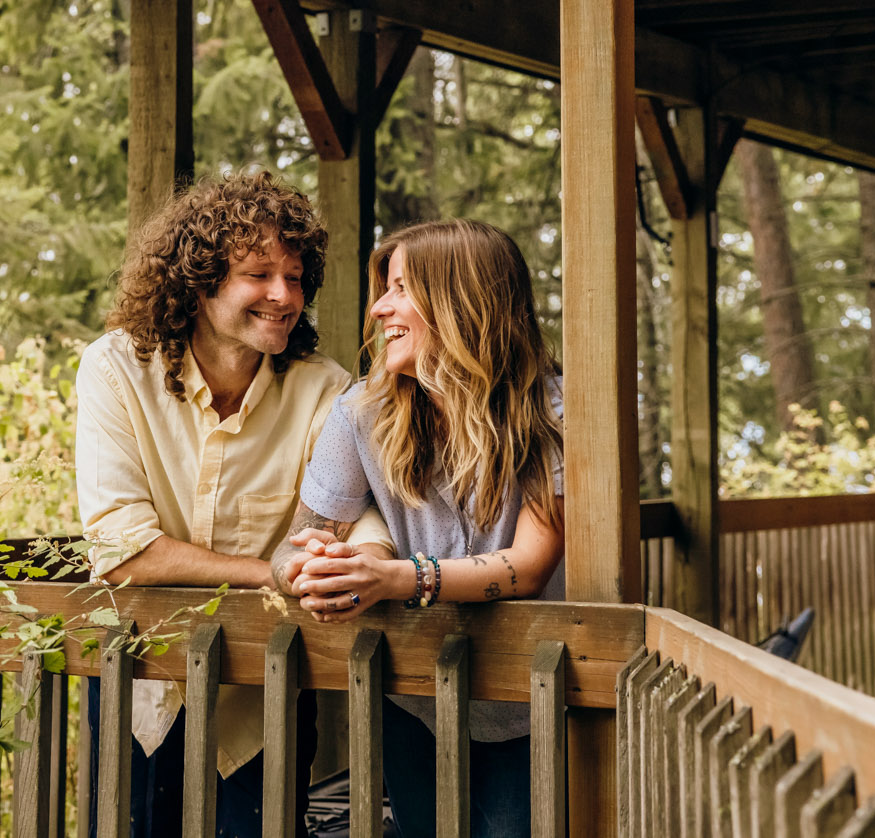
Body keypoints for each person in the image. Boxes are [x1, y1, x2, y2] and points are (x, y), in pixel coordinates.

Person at [75, 170, 385, 838]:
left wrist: (360, 564)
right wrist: (272, 571)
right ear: (199, 278)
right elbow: (120, 548)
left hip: (264, 693)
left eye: (297, 277)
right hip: (141, 688)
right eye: (259, 274)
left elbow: (361, 516)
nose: (284, 295)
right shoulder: (115, 368)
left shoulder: (324, 389)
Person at [270, 219, 566, 838]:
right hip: (413, 694)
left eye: (400, 289)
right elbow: (293, 546)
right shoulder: (361, 410)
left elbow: (532, 563)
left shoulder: (554, 406)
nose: (379, 308)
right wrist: (312, 566)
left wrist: (396, 577)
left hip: (531, 696)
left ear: (462, 301)